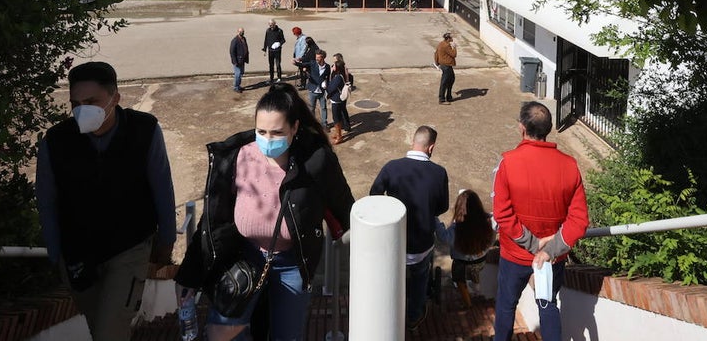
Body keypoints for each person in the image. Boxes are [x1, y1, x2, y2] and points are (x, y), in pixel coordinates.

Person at [175, 83, 355, 341]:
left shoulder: (316, 162)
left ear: (294, 128)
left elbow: (345, 208)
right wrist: (190, 275)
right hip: (242, 258)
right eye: (261, 131)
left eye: (277, 132)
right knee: (221, 333)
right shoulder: (237, 156)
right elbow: (212, 220)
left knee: (286, 335)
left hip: (292, 265)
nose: (267, 140)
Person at [36, 61, 176, 341]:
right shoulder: (56, 141)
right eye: (75, 103)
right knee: (99, 326)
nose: (81, 110)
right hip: (78, 254)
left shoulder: (144, 130)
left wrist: (166, 240)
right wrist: (55, 255)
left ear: (115, 98)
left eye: (91, 101)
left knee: (108, 333)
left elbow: (162, 185)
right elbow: (47, 200)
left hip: (129, 246)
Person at [492, 102, 589, 341]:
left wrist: (534, 245)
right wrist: (549, 250)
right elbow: (579, 220)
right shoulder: (569, 165)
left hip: (515, 253)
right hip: (552, 257)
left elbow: (502, 214)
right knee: (547, 305)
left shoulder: (509, 162)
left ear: (521, 128)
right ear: (549, 129)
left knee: (505, 306)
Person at [370, 126, 449, 331]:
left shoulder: (391, 167)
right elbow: (442, 207)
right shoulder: (439, 173)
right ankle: (414, 317)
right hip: (422, 245)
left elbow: (374, 196)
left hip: (393, 242)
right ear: (431, 148)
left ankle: (386, 317)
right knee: (420, 279)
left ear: (413, 142)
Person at [435, 189, 495, 310]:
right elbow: (494, 232)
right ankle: (477, 291)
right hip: (480, 260)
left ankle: (468, 303)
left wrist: (435, 219)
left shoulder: (456, 229)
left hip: (461, 264)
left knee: (460, 281)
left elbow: (443, 237)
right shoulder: (488, 221)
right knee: (476, 277)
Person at [325, 53, 353, 145]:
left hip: (336, 99)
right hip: (340, 99)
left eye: (334, 66)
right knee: (340, 115)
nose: (333, 67)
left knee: (336, 118)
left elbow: (330, 89)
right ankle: (338, 133)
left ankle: (339, 136)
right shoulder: (342, 75)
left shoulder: (337, 78)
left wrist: (325, 86)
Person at [304, 48, 331, 128]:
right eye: (316, 57)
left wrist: (326, 85)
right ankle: (312, 124)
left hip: (322, 91)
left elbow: (328, 78)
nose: (316, 58)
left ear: (323, 58)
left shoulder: (327, 67)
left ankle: (324, 124)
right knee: (311, 108)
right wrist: (296, 63)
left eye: (318, 57)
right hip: (312, 90)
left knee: (323, 108)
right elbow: (303, 65)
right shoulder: (313, 63)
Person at [434, 32, 457, 104]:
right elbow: (454, 54)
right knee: (444, 82)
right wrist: (454, 47)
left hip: (444, 65)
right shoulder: (447, 46)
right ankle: (442, 99)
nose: (452, 39)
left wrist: (437, 62)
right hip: (446, 65)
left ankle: (449, 96)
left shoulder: (441, 43)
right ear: (448, 39)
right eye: (451, 38)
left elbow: (436, 53)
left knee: (451, 79)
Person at [263, 19, 286, 83]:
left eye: (272, 25)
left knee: (278, 64)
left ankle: (279, 77)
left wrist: (279, 43)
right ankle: (271, 78)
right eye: (270, 25)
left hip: (277, 51)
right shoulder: (268, 31)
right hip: (270, 51)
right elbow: (266, 40)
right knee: (271, 65)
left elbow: (283, 40)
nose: (271, 27)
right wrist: (265, 49)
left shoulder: (279, 31)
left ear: (274, 24)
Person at [229, 27, 249, 93]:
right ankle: (236, 87)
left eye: (243, 32)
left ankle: (238, 85)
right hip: (237, 61)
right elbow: (232, 51)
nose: (242, 33)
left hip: (242, 60)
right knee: (237, 74)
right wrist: (234, 61)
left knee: (241, 73)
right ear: (237, 32)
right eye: (240, 32)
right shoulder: (235, 40)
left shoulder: (244, 39)